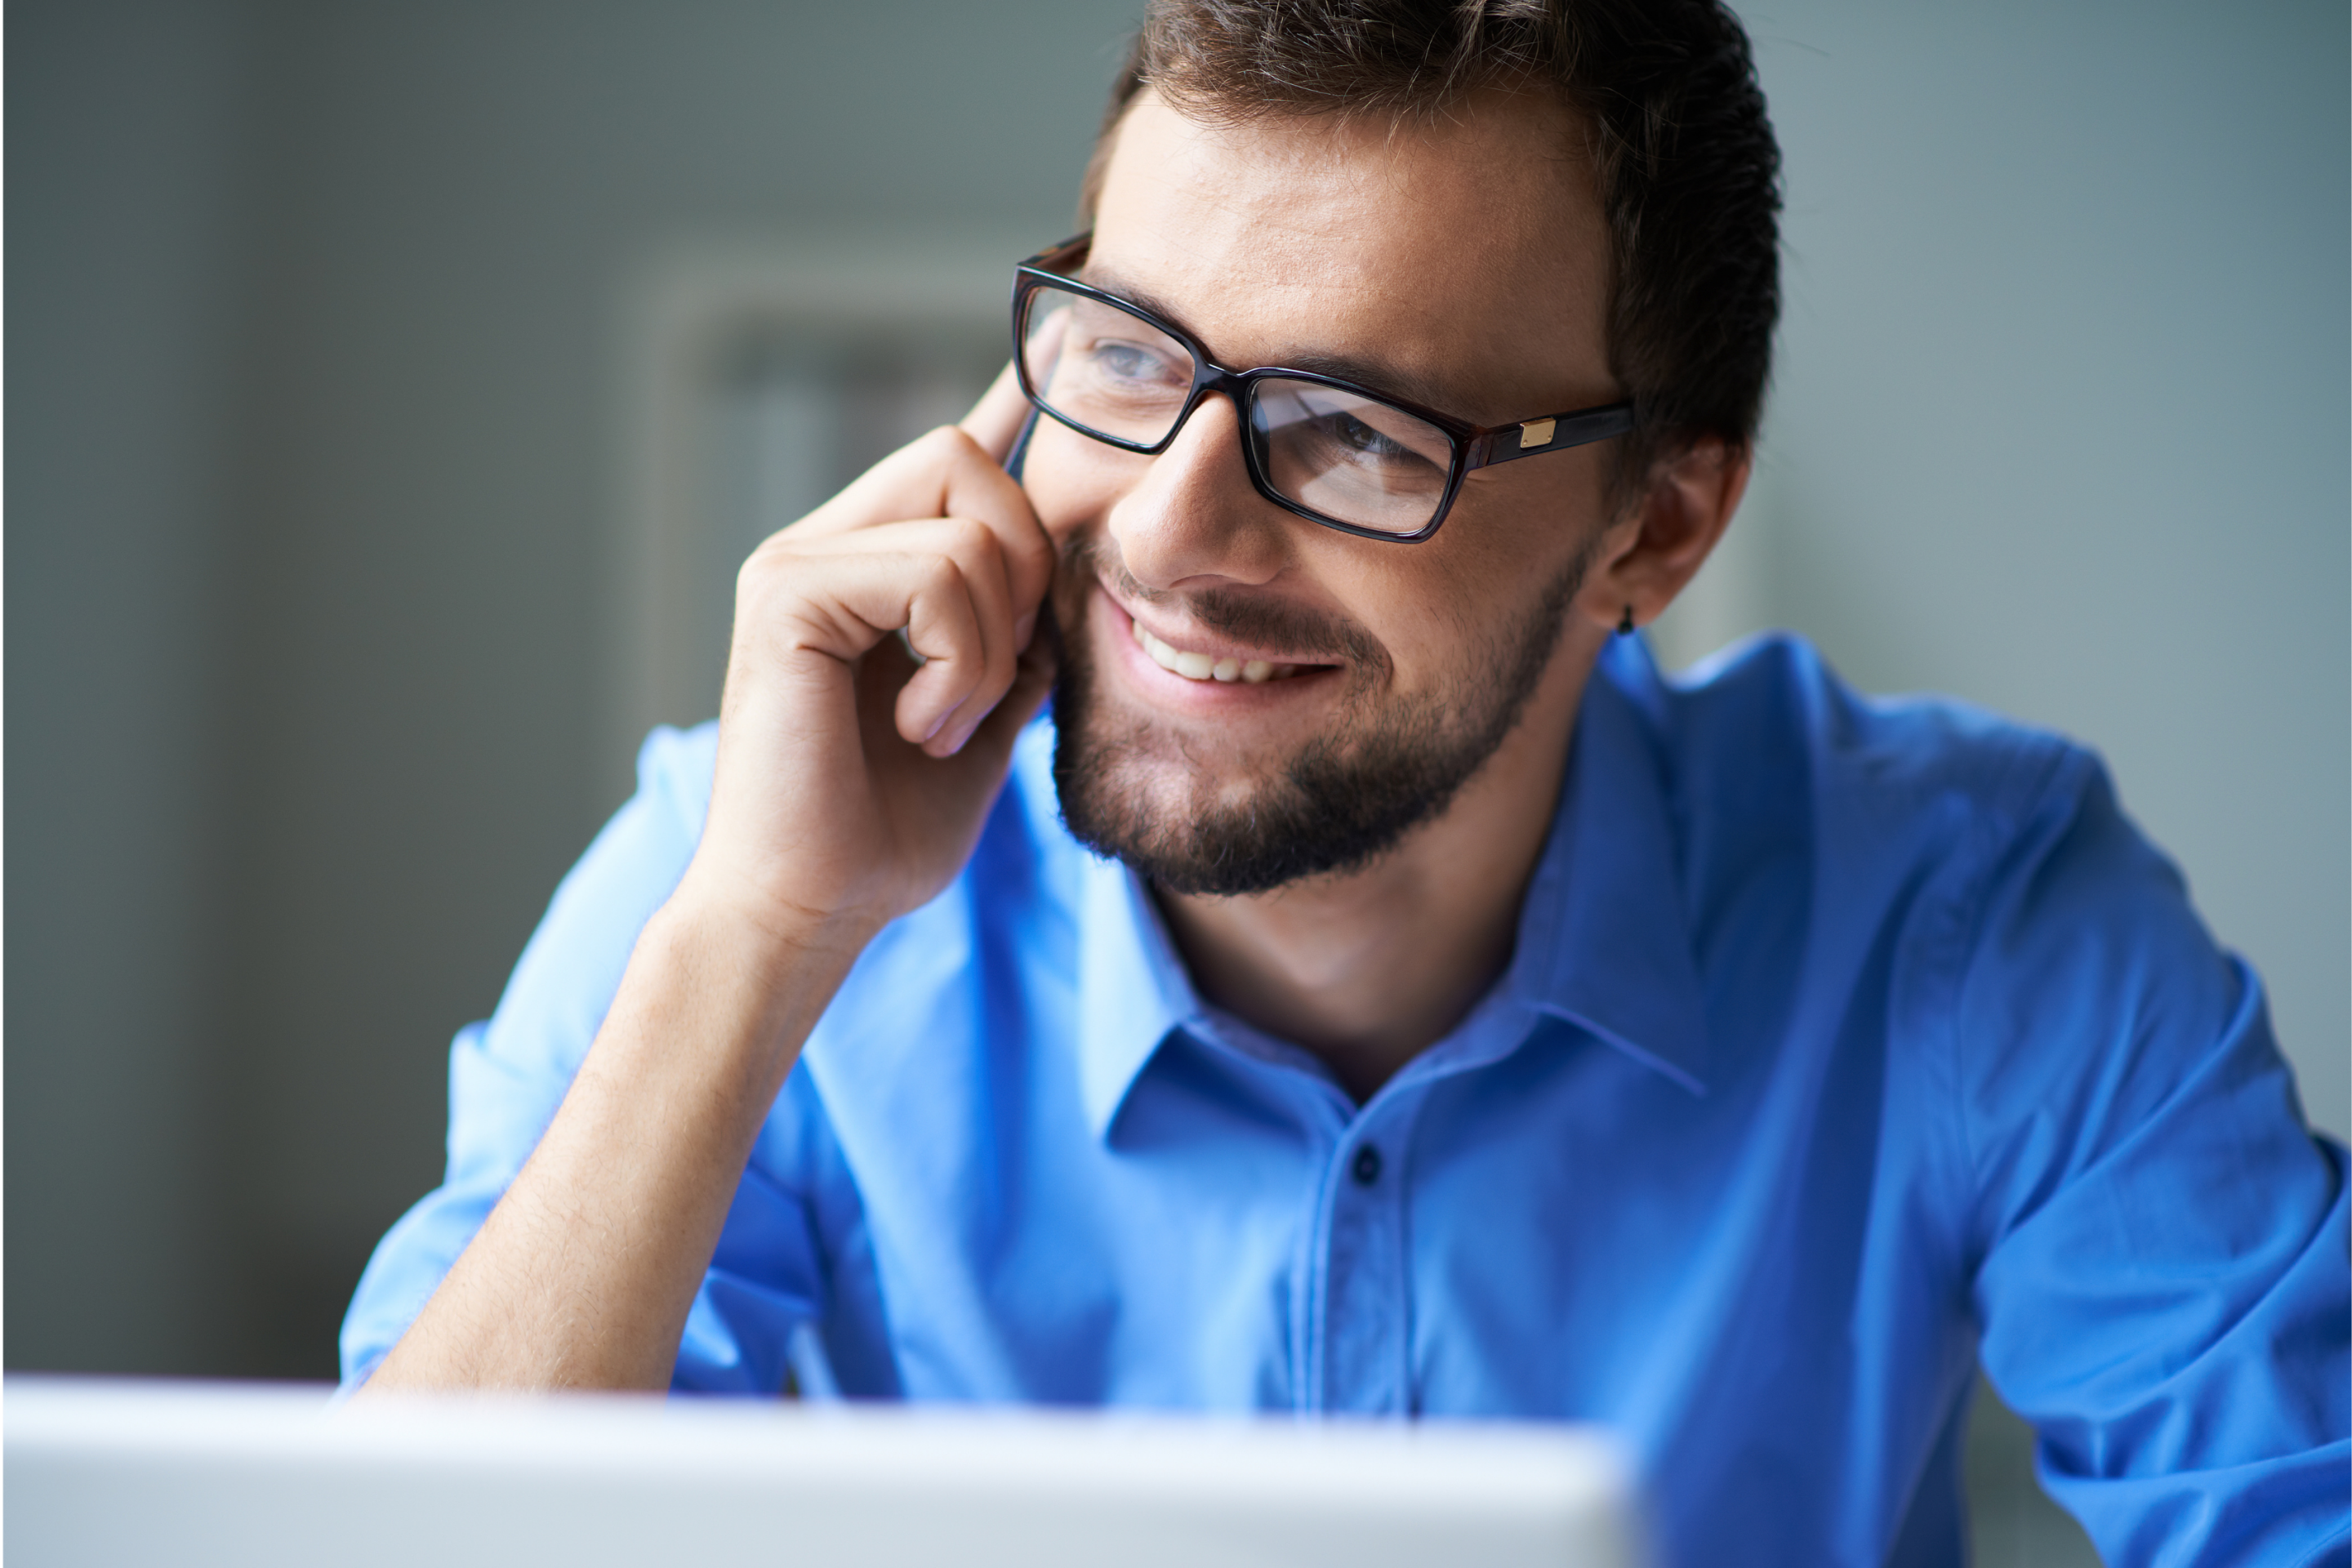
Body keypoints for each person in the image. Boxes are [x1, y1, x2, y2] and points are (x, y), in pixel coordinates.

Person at [341, 2, 2350, 1561]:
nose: (1173, 527)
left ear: (1657, 530)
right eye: (1131, 355)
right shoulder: (754, 857)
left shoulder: (1972, 914)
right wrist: (758, 945)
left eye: (1361, 427)